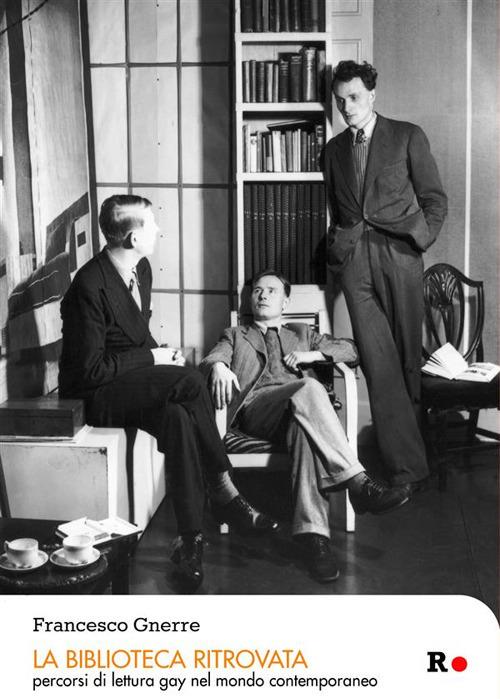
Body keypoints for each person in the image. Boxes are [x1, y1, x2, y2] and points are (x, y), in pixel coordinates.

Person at [58, 194, 277, 591]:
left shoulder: (140, 269)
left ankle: (190, 542)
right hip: (95, 394)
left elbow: (131, 336)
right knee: (190, 381)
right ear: (132, 238)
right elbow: (89, 372)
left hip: (128, 384)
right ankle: (224, 489)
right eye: (151, 223)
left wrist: (161, 355)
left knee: (177, 416)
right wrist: (154, 358)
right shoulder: (88, 286)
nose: (158, 229)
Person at [199, 270, 410, 583]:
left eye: (271, 290)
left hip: (300, 413)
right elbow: (212, 358)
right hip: (258, 411)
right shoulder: (235, 334)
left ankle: (315, 540)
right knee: (310, 387)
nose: (262, 295)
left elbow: (351, 350)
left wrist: (312, 354)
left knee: (303, 429)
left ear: (285, 301)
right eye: (257, 290)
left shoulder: (302, 333)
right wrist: (218, 366)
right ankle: (358, 483)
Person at [323, 60, 448, 493]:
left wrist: (419, 239)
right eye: (340, 100)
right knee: (378, 364)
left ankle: (412, 459)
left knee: (408, 361)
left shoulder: (408, 135)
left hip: (400, 255)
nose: (347, 107)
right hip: (354, 262)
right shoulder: (332, 151)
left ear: (372, 95)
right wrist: (338, 248)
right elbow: (338, 209)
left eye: (354, 97)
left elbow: (435, 200)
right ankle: (406, 469)